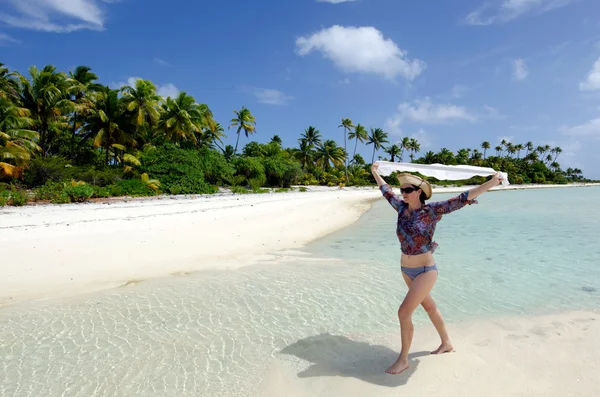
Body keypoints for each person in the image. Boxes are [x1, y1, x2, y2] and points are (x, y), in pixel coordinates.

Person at [370, 162, 503, 375]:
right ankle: (447, 342)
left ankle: (403, 360)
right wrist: (375, 172)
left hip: (425, 270)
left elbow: (462, 198)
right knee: (430, 308)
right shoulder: (400, 208)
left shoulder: (431, 211)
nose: (403, 193)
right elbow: (386, 191)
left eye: (408, 190)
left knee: (404, 312)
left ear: (419, 192)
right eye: (402, 189)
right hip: (406, 270)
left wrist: (492, 182)